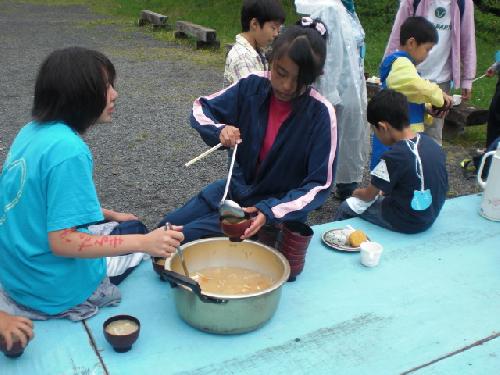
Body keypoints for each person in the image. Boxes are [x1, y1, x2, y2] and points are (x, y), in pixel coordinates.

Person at [0, 47, 184, 321]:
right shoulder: (69, 150)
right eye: (106, 86)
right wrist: (145, 243)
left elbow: (36, 200)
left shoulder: (32, 132)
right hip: (50, 290)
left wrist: (107, 214)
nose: (114, 94)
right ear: (79, 94)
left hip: (18, 275)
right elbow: (63, 242)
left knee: (128, 224)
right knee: (139, 231)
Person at [160, 21, 337, 243]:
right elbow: (200, 107)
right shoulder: (252, 86)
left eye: (300, 80)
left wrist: (271, 211)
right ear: (271, 60)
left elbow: (320, 184)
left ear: (314, 77)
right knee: (163, 228)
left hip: (272, 211)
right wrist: (220, 130)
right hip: (233, 191)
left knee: (179, 238)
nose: (286, 86)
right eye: (281, 73)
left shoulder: (320, 114)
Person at [334, 89, 448, 234]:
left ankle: (337, 238)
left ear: (382, 127)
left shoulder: (392, 157)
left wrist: (354, 192)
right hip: (430, 215)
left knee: (346, 207)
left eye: (374, 130)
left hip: (406, 221)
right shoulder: (430, 143)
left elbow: (369, 194)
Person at [295, 0, 369, 201]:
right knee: (324, 139)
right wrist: (328, 92)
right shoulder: (328, 8)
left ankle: (345, 184)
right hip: (334, 86)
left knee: (348, 136)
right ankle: (314, 189)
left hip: (350, 83)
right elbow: (328, 53)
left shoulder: (347, 9)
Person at [383, 0, 476, 146]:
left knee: (432, 135)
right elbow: (398, 33)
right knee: (400, 128)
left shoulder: (463, 3)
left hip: (441, 78)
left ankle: (428, 165)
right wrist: (388, 64)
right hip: (409, 75)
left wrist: (467, 79)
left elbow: (467, 39)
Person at [370, 16, 453, 170]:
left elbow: (409, 94)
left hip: (401, 137)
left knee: (401, 174)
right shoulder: (401, 63)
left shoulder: (405, 66)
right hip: (395, 137)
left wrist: (427, 108)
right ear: (411, 43)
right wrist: (439, 95)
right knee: (391, 174)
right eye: (427, 49)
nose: (427, 55)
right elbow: (416, 85)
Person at [223, 0, 285, 87]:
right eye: (273, 28)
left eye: (278, 29)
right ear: (254, 24)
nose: (276, 34)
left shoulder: (257, 51)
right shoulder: (242, 59)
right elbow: (253, 97)